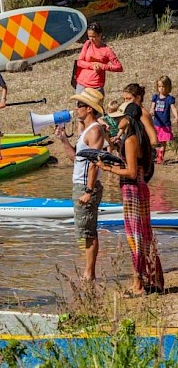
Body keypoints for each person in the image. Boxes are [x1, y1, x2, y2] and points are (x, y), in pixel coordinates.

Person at [97, 102, 165, 296]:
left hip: (132, 190)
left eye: (120, 117)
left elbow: (131, 172)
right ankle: (154, 280)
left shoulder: (130, 140)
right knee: (145, 236)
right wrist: (111, 140)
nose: (118, 120)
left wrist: (108, 168)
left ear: (128, 119)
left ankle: (138, 284)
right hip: (141, 189)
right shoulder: (140, 138)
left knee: (135, 237)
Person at [55, 88, 105, 282]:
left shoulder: (95, 131)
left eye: (80, 105)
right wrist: (63, 140)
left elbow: (93, 163)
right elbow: (75, 158)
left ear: (90, 109)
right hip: (80, 184)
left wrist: (88, 191)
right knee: (83, 231)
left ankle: (89, 273)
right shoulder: (85, 130)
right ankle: (88, 272)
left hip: (86, 185)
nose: (76, 109)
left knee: (88, 231)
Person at [74, 21, 123, 95]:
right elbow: (79, 62)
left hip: (96, 85)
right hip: (82, 83)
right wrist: (92, 66)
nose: (91, 39)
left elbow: (119, 67)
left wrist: (102, 66)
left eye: (93, 36)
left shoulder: (107, 50)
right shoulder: (87, 44)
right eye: (89, 36)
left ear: (100, 35)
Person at [150, 75, 178, 164]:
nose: (161, 89)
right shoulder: (155, 97)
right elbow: (152, 107)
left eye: (163, 86)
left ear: (168, 87)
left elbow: (173, 108)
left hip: (165, 125)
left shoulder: (169, 99)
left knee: (163, 142)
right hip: (156, 123)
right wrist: (151, 111)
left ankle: (160, 157)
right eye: (159, 86)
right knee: (153, 140)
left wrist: (176, 116)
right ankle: (152, 155)